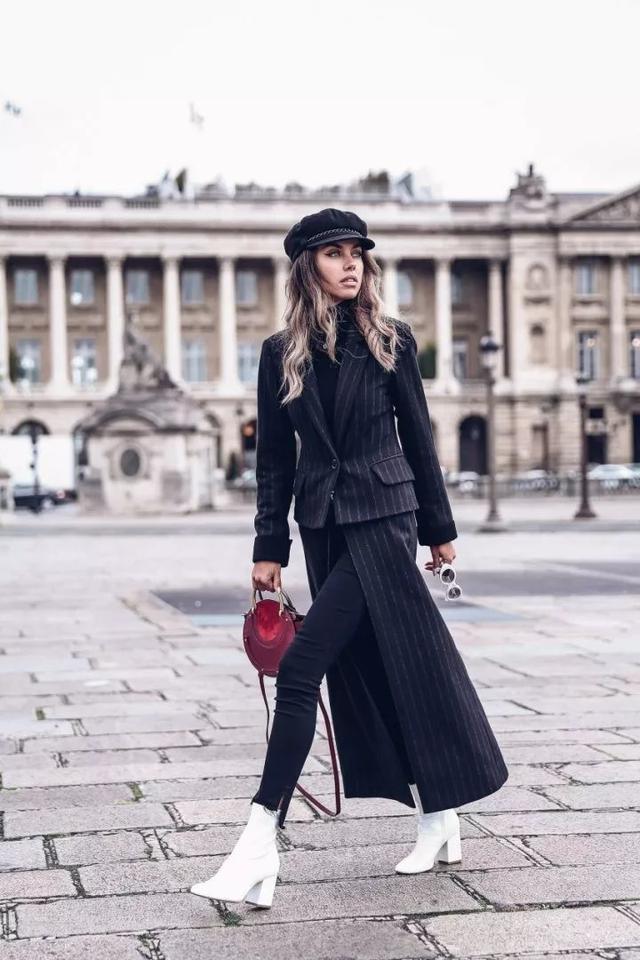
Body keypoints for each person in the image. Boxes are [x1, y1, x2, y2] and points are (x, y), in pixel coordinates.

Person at [191, 208, 509, 908]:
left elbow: (419, 438)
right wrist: (268, 547)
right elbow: (274, 460)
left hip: (385, 521)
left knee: (302, 667)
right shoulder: (280, 353)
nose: (350, 264)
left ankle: (258, 844)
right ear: (307, 265)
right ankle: (439, 814)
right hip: (324, 527)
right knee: (380, 668)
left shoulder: (391, 340)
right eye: (334, 253)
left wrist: (439, 529)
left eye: (356, 253)